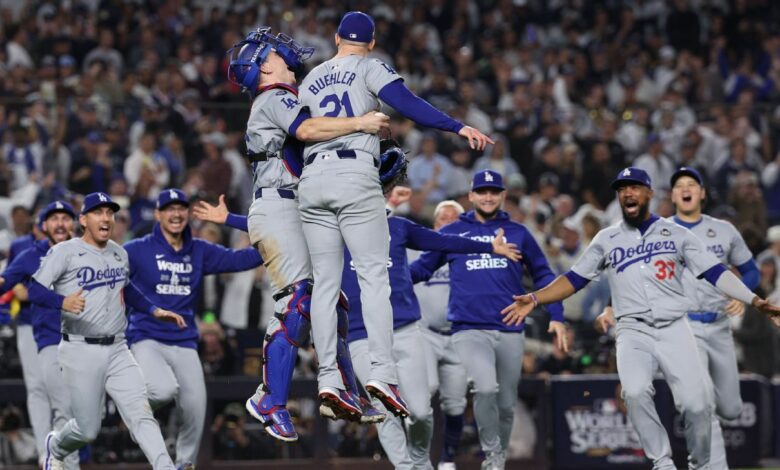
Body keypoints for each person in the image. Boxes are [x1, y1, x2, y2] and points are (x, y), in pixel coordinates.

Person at [501, 167, 780, 470]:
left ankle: (701, 463)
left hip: (675, 328)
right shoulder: (606, 239)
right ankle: (662, 463)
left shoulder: (676, 233)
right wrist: (534, 297)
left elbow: (715, 272)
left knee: (697, 407)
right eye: (622, 189)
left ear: (648, 193)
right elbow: (573, 279)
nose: (627, 193)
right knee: (634, 393)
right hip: (632, 331)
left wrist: (752, 299)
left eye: (634, 187)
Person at [297, 10, 493, 418]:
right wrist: (458, 127)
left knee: (327, 286)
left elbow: (299, 135)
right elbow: (408, 104)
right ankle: (382, 373)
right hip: (354, 175)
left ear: (336, 39)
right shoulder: (370, 66)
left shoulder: (311, 79)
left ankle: (329, 377)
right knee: (373, 278)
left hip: (312, 179)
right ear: (370, 43)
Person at [224, 27, 390, 438]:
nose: (288, 54)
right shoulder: (276, 96)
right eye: (278, 53)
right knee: (298, 301)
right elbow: (307, 131)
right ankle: (269, 398)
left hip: (291, 204)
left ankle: (347, 390)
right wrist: (362, 124)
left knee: (332, 304)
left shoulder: (282, 98)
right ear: (264, 65)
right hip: (278, 205)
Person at [341, 188, 520, 470]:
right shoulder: (334, 234)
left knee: (421, 413)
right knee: (385, 412)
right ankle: (407, 467)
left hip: (406, 330)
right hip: (362, 336)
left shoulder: (398, 228)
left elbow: (442, 240)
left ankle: (421, 459)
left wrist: (488, 247)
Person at [598, 167, 760, 470]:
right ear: (671, 195)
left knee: (731, 407)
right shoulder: (658, 230)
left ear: (702, 193)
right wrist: (611, 306)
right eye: (679, 186)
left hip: (719, 325)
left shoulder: (723, 230)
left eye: (691, 184)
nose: (685, 189)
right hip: (684, 324)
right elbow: (631, 278)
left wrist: (742, 294)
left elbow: (751, 270)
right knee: (702, 404)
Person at [411, 170, 567, 470]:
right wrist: (387, 282)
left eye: (493, 191)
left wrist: (556, 315)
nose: (487, 196)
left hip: (510, 327)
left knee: (507, 404)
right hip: (468, 328)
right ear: (470, 196)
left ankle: (497, 459)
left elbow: (544, 275)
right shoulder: (453, 232)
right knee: (485, 389)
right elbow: (421, 269)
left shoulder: (519, 233)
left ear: (503, 195)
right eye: (481, 191)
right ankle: (492, 455)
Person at [27, 192, 186, 470]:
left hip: (117, 348)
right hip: (79, 348)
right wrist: (62, 301)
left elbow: (126, 288)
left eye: (109, 213)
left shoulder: (118, 251)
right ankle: (55, 446)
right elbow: (35, 289)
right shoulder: (65, 250)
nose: (105, 218)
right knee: (88, 430)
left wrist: (153, 310)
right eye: (98, 212)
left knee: (142, 415)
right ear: (83, 219)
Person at [123, 188, 263, 468]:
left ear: (187, 214)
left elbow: (244, 259)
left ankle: (185, 463)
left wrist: (241, 224)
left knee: (196, 407)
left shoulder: (199, 250)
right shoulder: (136, 250)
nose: (176, 214)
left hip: (185, 341)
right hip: (146, 337)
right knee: (162, 391)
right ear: (158, 214)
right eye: (169, 208)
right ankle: (130, 409)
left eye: (181, 208)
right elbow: (111, 278)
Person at [0, 202, 79, 469]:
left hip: (82, 336)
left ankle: (56, 453)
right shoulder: (24, 249)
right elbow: (7, 282)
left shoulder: (86, 251)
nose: (59, 224)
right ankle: (48, 452)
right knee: (41, 390)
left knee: (77, 407)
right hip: (35, 326)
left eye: (64, 218)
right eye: (52, 218)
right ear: (41, 225)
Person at [410, 200, 469, 470]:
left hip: (458, 336)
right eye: (443, 218)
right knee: (424, 393)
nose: (448, 222)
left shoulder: (470, 253)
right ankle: (417, 456)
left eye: (454, 218)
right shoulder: (418, 249)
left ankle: (447, 458)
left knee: (456, 403)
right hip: (425, 333)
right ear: (435, 224)